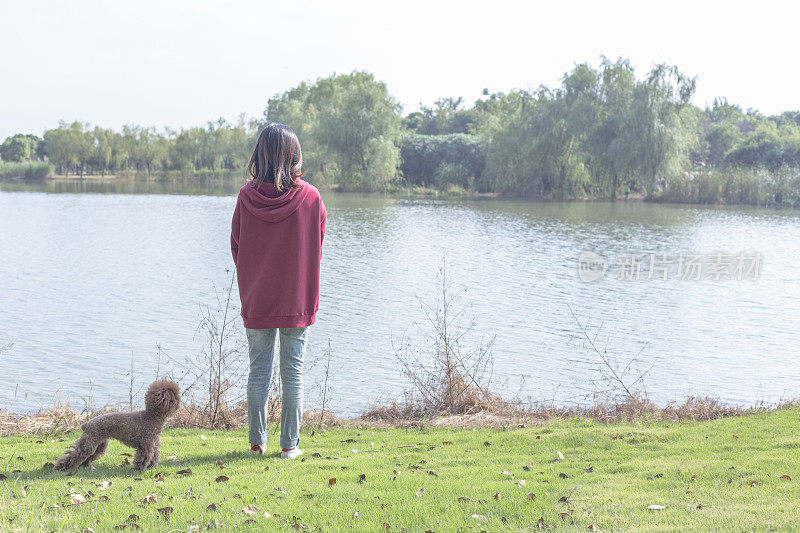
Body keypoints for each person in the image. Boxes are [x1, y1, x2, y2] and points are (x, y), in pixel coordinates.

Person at [230, 123, 326, 459]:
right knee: (293, 375)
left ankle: (257, 444)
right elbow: (318, 243)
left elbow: (237, 246)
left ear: (260, 155)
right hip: (296, 298)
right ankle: (289, 446)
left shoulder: (246, 197)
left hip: (257, 297)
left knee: (258, 372)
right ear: (293, 155)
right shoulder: (311, 198)